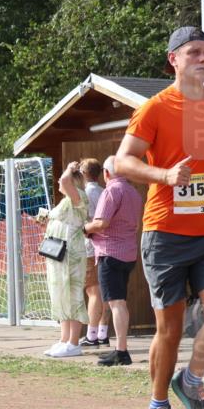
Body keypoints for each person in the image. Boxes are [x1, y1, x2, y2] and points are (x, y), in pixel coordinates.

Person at [114, 25, 204, 409]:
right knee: (170, 328)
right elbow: (123, 162)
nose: (202, 59)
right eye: (193, 53)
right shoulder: (154, 108)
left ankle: (191, 380)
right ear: (174, 59)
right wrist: (165, 175)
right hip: (166, 232)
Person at [84, 156, 143, 366]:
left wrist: (85, 228)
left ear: (107, 173)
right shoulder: (134, 193)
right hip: (128, 253)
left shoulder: (111, 190)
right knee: (120, 302)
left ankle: (121, 351)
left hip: (110, 252)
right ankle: (121, 348)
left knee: (116, 303)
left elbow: (101, 223)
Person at [41, 161, 89, 357]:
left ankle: (74, 342)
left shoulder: (78, 197)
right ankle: (64, 339)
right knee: (60, 294)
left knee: (73, 294)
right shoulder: (65, 201)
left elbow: (64, 180)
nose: (60, 182)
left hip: (72, 254)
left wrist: (70, 168)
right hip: (58, 253)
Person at [79, 157, 111, 347]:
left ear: (83, 173)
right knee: (104, 292)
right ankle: (102, 332)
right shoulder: (103, 191)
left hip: (90, 246)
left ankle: (91, 334)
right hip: (106, 246)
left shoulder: (86, 193)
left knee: (93, 292)